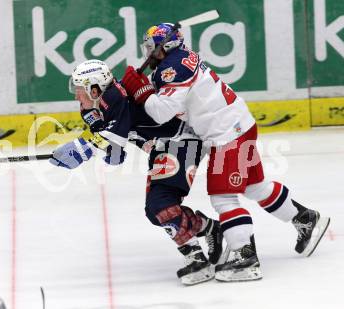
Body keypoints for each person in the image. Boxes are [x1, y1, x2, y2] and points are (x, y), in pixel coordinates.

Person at [120, 23, 331, 282]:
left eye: (153, 49)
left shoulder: (174, 68)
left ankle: (245, 257)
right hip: (238, 125)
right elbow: (163, 90)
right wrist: (134, 88)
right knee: (254, 186)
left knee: (223, 198)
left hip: (227, 134)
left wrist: (140, 91)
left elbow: (162, 111)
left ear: (168, 46)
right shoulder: (177, 61)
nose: (149, 54)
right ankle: (306, 219)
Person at [49, 59, 223, 285]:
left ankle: (196, 259)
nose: (76, 96)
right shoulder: (91, 109)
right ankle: (210, 228)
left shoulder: (113, 96)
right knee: (156, 212)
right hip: (162, 148)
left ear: (95, 88)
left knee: (161, 205)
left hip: (182, 142)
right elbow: (114, 149)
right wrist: (104, 152)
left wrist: (80, 150)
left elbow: (112, 135)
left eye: (80, 90)